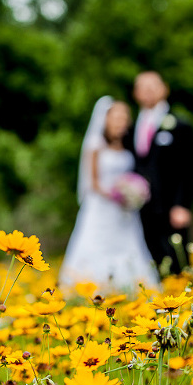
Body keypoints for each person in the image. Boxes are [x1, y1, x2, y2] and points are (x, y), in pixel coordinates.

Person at [59, 97, 160, 292]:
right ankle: (92, 287)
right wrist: (116, 195)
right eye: (116, 117)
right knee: (95, 244)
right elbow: (93, 182)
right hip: (101, 206)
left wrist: (134, 192)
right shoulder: (95, 144)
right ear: (106, 119)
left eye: (124, 117)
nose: (121, 121)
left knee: (130, 245)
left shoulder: (128, 144)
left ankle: (132, 286)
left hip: (125, 211)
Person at [125, 71, 193, 276]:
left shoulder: (180, 125)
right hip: (140, 208)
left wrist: (182, 205)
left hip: (171, 206)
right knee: (151, 261)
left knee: (177, 259)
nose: (148, 91)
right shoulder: (130, 127)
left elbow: (190, 168)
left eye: (153, 86)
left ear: (164, 89)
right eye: (143, 87)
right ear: (136, 93)